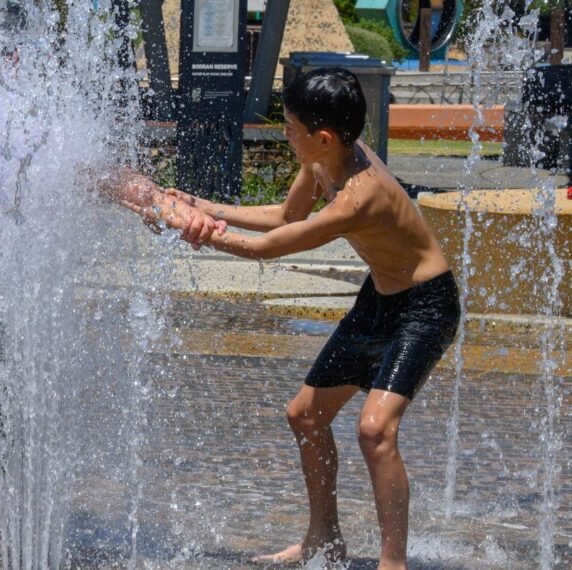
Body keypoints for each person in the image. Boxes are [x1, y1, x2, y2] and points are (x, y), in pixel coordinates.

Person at [119, 68, 460, 569]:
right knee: (305, 414)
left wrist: (185, 226)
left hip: (425, 307)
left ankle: (393, 563)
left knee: (374, 431)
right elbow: (284, 217)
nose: (285, 134)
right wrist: (202, 205)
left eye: (291, 127)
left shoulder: (360, 196)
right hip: (380, 299)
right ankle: (324, 540)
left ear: (321, 137)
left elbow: (265, 249)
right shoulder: (326, 159)